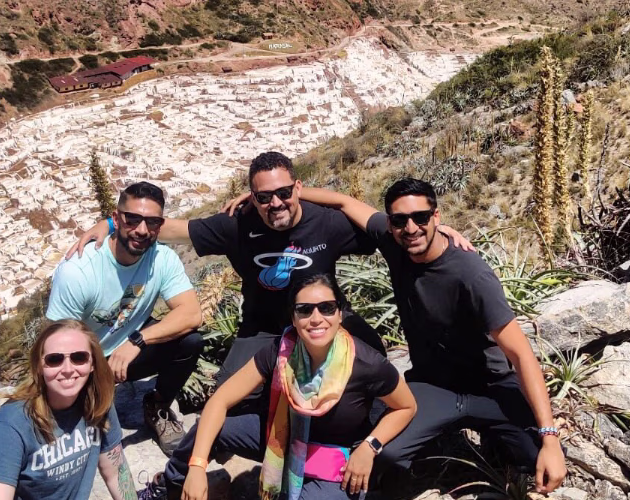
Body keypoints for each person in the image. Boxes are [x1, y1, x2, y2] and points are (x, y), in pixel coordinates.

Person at [67, 153, 469, 398]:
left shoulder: (328, 224)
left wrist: (438, 231)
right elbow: (169, 227)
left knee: (374, 363)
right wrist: (110, 223)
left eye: (283, 193)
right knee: (230, 394)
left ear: (298, 188)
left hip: (323, 319)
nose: (275, 203)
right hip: (262, 327)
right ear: (252, 197)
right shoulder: (236, 225)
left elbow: (393, 228)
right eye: (263, 196)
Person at [286, 178, 569, 494]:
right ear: (391, 224)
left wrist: (550, 437)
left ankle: (497, 439)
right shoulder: (395, 244)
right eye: (400, 220)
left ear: (436, 217)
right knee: (388, 454)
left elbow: (521, 353)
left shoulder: (470, 275)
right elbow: (342, 202)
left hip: (491, 387)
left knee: (536, 457)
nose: (411, 228)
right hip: (433, 386)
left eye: (421, 217)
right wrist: (279, 194)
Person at [167, 274, 416, 499]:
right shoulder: (281, 352)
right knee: (209, 430)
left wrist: (370, 446)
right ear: (294, 318)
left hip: (337, 459)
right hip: (282, 437)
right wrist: (197, 466)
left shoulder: (366, 364)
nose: (316, 319)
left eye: (327, 308)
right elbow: (220, 400)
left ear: (340, 313)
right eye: (305, 310)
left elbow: (406, 407)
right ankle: (170, 486)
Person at [47, 181, 204, 456]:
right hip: (85, 362)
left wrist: (137, 341)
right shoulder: (78, 270)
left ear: (160, 225)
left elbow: (191, 314)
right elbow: (57, 344)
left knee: (189, 342)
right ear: (116, 219)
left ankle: (157, 406)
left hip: (128, 352)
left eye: (152, 222)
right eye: (132, 220)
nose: (142, 230)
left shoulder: (162, 258)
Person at [0, 319, 135, 500]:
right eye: (54, 360)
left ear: (92, 363)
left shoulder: (97, 402)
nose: (67, 369)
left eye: (79, 357)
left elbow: (115, 474)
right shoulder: (11, 426)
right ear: (39, 367)